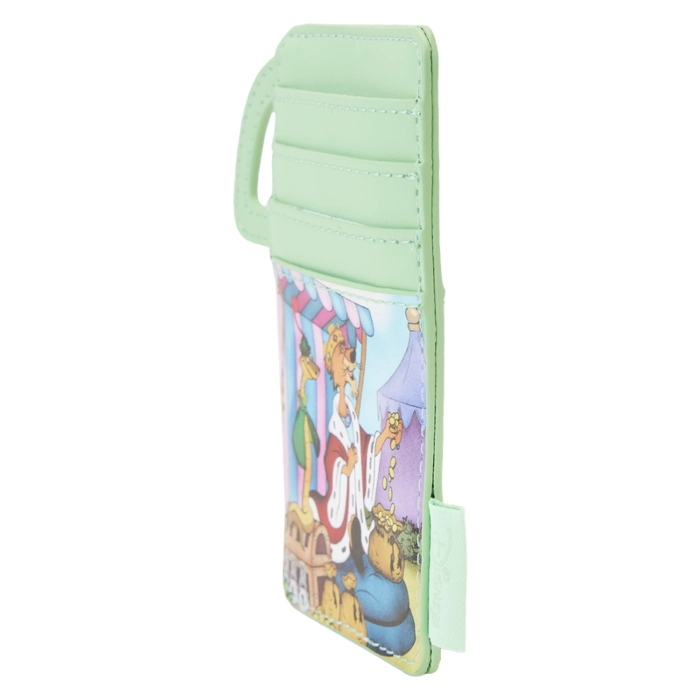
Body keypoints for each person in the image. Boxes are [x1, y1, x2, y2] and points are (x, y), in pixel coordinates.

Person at [309, 325, 401, 566]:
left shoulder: (351, 417)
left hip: (355, 499)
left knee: (359, 528)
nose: (347, 356)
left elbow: (367, 447)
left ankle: (356, 543)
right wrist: (347, 467)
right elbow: (333, 461)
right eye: (340, 352)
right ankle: (347, 542)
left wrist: (385, 435)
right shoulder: (335, 426)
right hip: (341, 500)